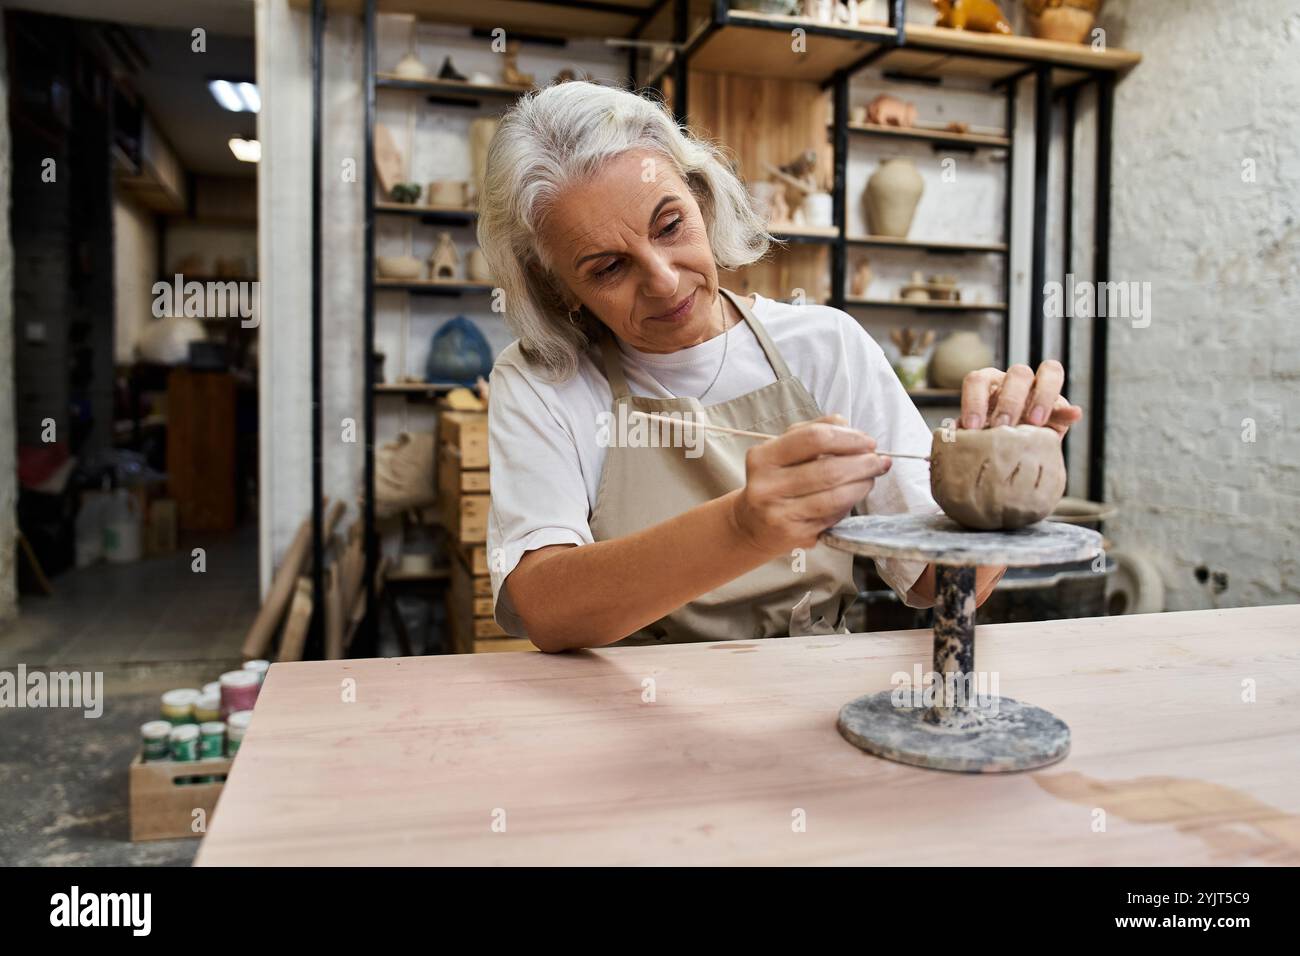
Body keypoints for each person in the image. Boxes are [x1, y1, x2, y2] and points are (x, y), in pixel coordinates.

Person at [476, 82, 1080, 652]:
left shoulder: (825, 346)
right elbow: (544, 608)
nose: (663, 280)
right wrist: (742, 528)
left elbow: (935, 584)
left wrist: (994, 486)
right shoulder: (542, 381)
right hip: (629, 708)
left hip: (809, 693)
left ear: (704, 200)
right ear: (557, 290)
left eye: (670, 225)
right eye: (608, 268)